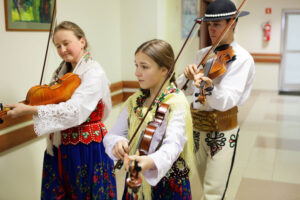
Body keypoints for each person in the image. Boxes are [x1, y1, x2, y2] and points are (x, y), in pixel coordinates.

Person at [6, 21, 117, 200]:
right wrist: (27, 105)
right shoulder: (63, 72)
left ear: (82, 41)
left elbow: (74, 110)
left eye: (66, 43)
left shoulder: (93, 72)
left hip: (86, 147)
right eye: (58, 46)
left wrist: (29, 109)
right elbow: (52, 99)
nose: (62, 49)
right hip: (60, 145)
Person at [177, 0, 255, 199]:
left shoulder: (242, 59)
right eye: (209, 25)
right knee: (204, 184)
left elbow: (226, 101)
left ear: (233, 23)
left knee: (213, 192)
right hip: (198, 128)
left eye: (217, 24)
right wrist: (186, 76)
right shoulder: (203, 54)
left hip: (223, 130)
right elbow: (181, 90)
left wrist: (207, 87)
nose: (211, 29)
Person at [103, 39, 195, 200]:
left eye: (144, 67)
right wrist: (117, 143)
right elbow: (112, 135)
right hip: (136, 178)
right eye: (136, 65)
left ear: (164, 70)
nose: (137, 72)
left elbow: (173, 145)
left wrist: (150, 161)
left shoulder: (176, 102)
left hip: (168, 185)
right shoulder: (135, 101)